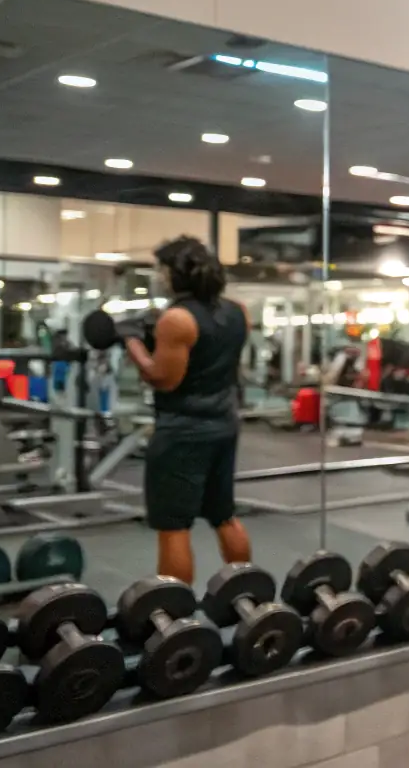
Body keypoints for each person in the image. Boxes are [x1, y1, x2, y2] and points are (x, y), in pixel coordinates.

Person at [123, 235, 251, 584]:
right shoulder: (239, 312)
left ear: (174, 273)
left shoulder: (176, 319)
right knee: (223, 515)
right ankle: (247, 591)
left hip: (183, 431)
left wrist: (132, 341)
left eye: (161, 270)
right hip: (224, 424)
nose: (159, 277)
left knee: (173, 525)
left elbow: (164, 379)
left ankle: (174, 611)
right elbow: (211, 359)